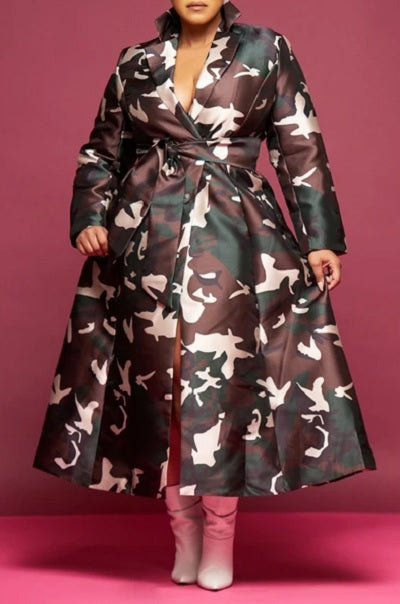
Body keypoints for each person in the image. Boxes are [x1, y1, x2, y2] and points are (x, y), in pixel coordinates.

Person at [32, 0, 377, 591]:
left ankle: (220, 535)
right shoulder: (135, 61)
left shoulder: (266, 49)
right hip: (146, 239)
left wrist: (321, 239)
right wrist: (90, 216)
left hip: (235, 237)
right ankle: (183, 532)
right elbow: (102, 152)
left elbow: (300, 146)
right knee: (160, 390)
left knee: (217, 391)